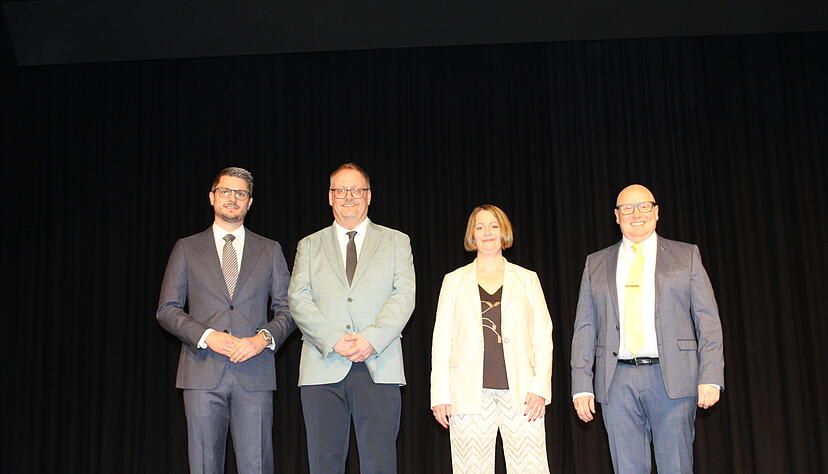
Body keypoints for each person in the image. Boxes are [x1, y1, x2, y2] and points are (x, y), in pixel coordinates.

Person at [570, 184, 725, 474]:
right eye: (627, 208)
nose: (636, 214)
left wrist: (711, 376)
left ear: (656, 212)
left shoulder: (686, 256)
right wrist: (581, 385)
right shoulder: (596, 263)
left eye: (643, 206)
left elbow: (708, 320)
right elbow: (585, 328)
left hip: (673, 380)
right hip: (615, 383)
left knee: (676, 467)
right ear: (616, 216)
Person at [157, 167, 295, 474]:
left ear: (250, 202)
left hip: (255, 374)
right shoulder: (186, 248)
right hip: (202, 373)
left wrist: (262, 339)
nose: (233, 198)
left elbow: (288, 310)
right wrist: (207, 335)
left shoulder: (270, 249)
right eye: (226, 191)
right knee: (204, 466)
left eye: (240, 193)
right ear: (212, 197)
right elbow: (167, 309)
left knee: (257, 466)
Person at [288, 163, 416, 474]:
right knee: (324, 463)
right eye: (341, 190)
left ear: (369, 196)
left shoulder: (397, 241)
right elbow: (298, 299)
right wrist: (334, 340)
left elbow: (404, 296)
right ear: (330, 197)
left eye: (357, 190)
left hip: (379, 363)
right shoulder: (309, 245)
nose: (349, 196)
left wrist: (371, 339)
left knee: (380, 463)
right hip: (323, 364)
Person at [431, 204, 553, 473]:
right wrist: (440, 394)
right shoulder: (453, 281)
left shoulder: (527, 279)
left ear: (504, 232)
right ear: (472, 235)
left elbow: (543, 337)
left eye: (494, 226)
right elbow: (441, 341)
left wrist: (540, 388)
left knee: (530, 468)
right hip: (467, 394)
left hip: (522, 394)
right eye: (480, 226)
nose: (487, 232)